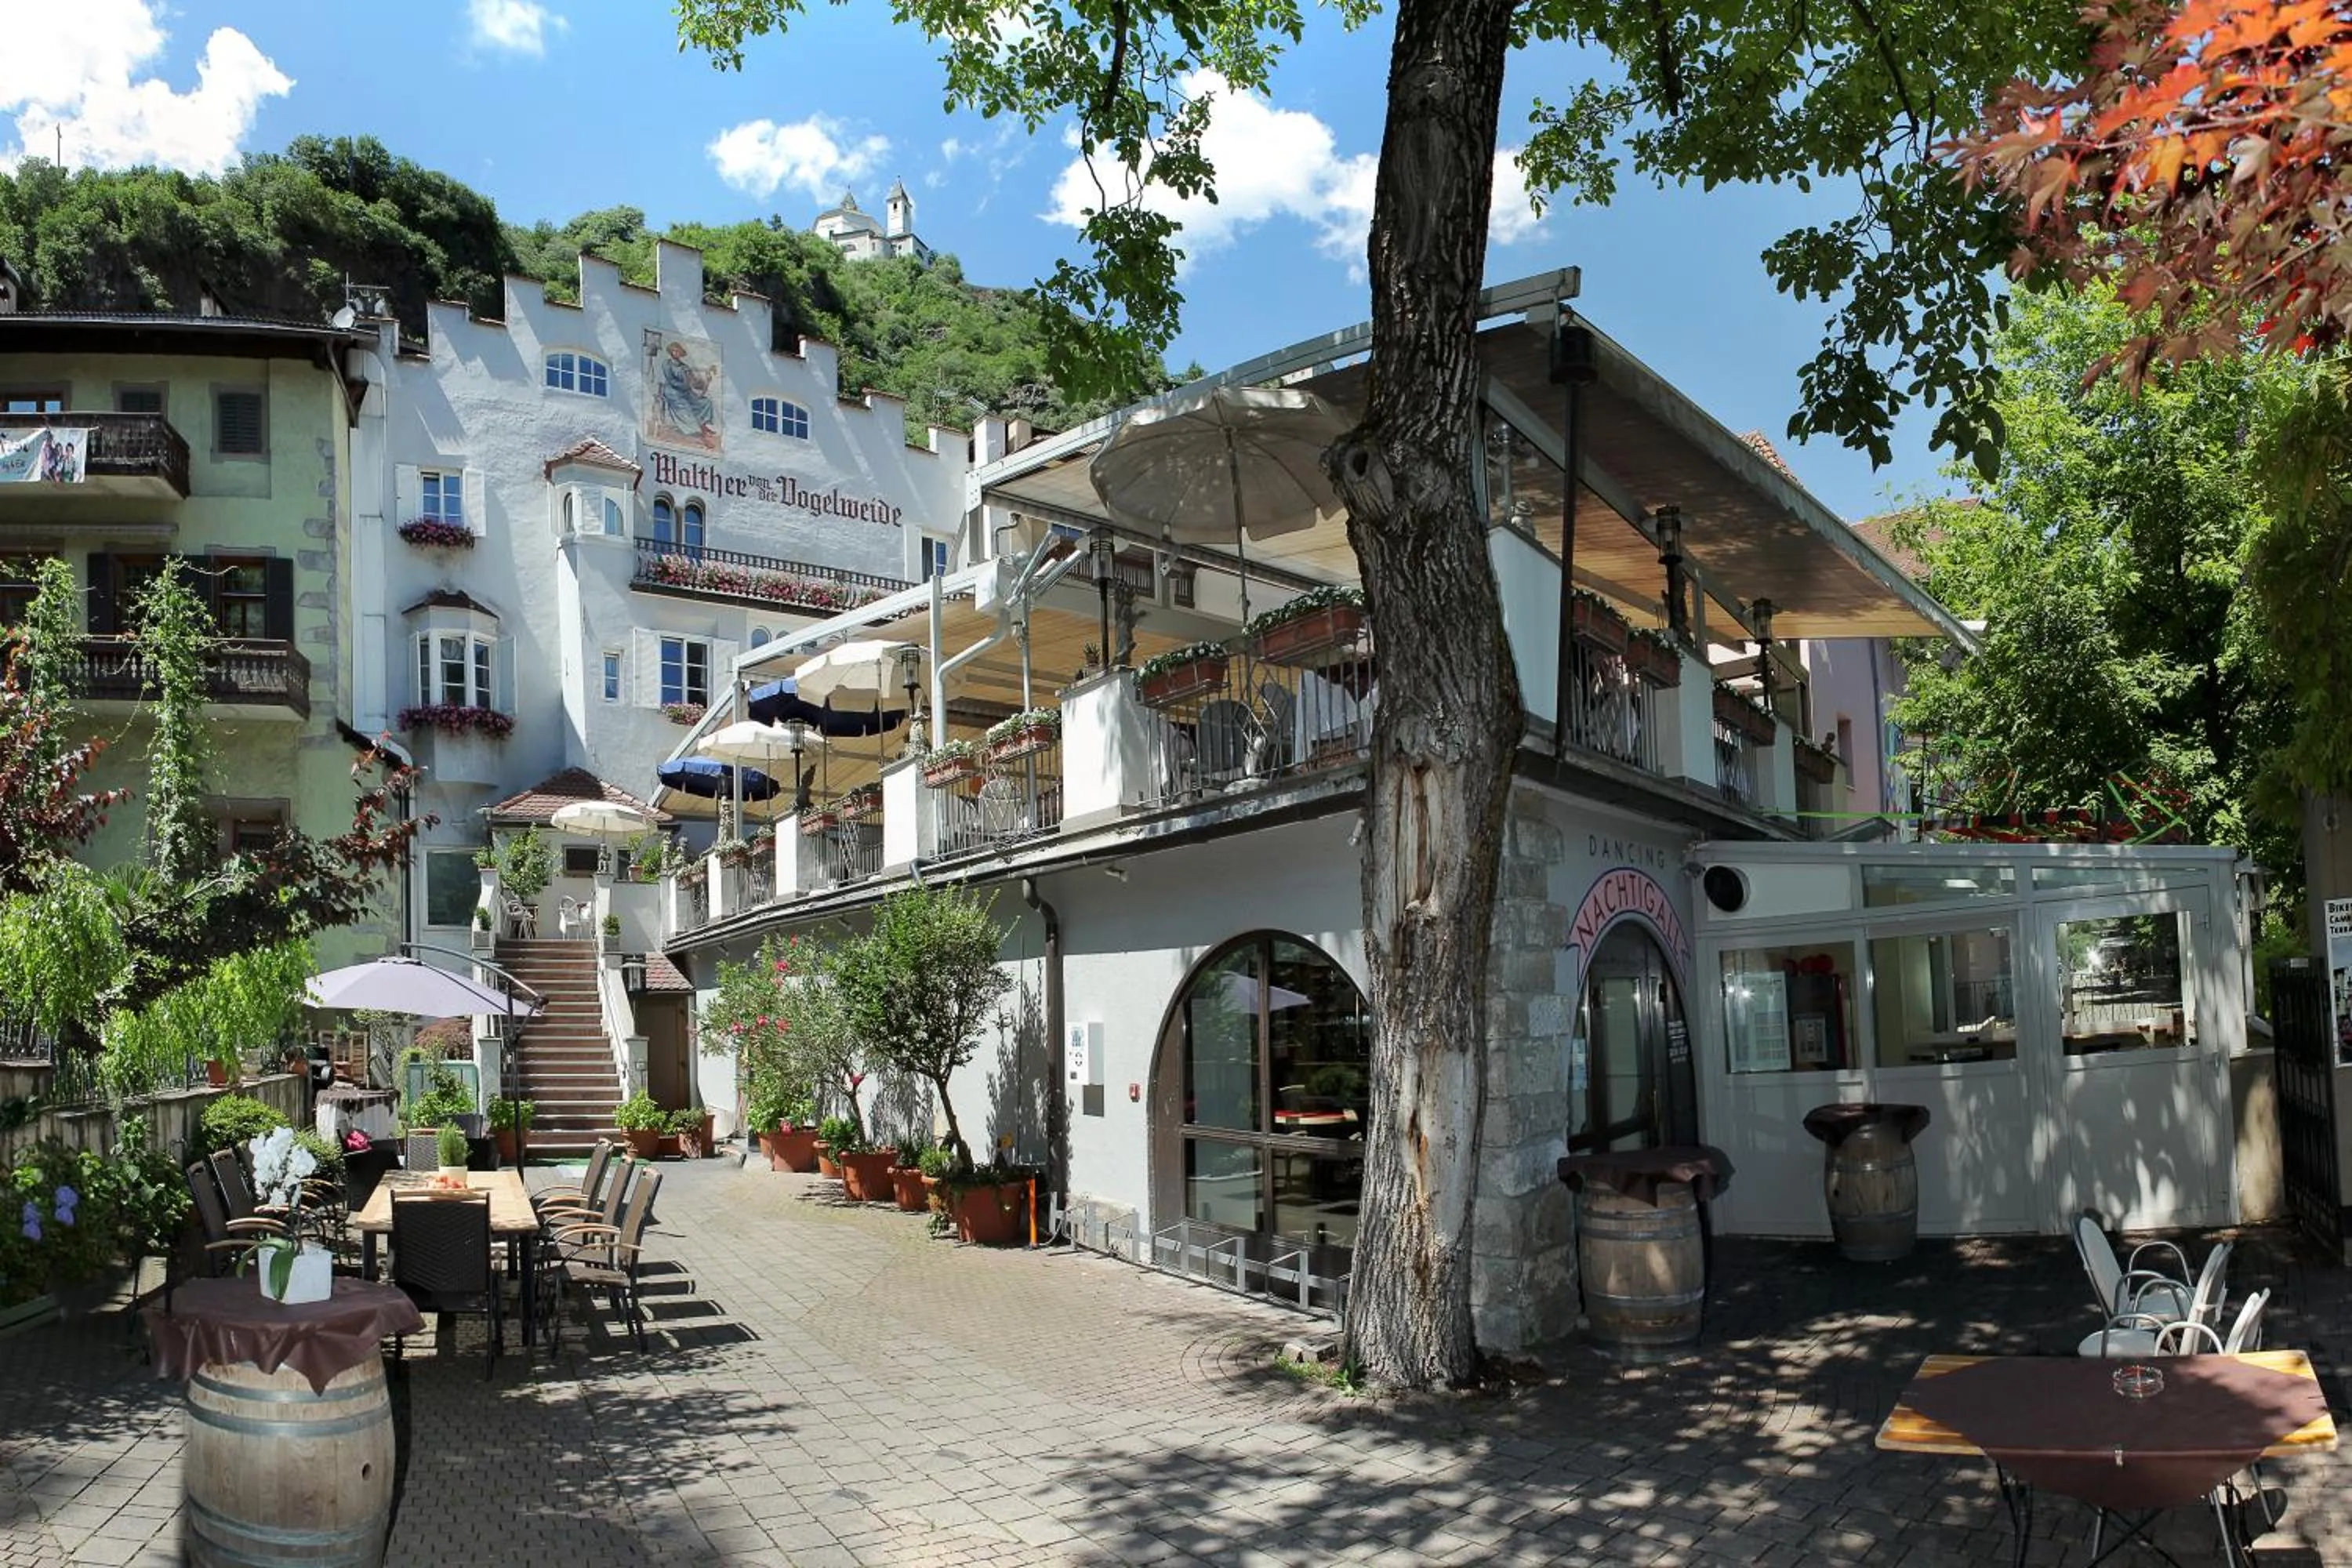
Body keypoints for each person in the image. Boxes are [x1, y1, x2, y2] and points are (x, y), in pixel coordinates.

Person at [655, 340, 718, 448]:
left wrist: (707, 381)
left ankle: (703, 427)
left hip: (686, 392)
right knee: (686, 408)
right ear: (671, 352)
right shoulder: (667, 364)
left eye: (678, 351)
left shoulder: (685, 367)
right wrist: (686, 385)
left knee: (705, 402)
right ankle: (697, 435)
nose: (676, 353)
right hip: (672, 391)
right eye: (674, 351)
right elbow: (671, 380)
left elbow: (695, 383)